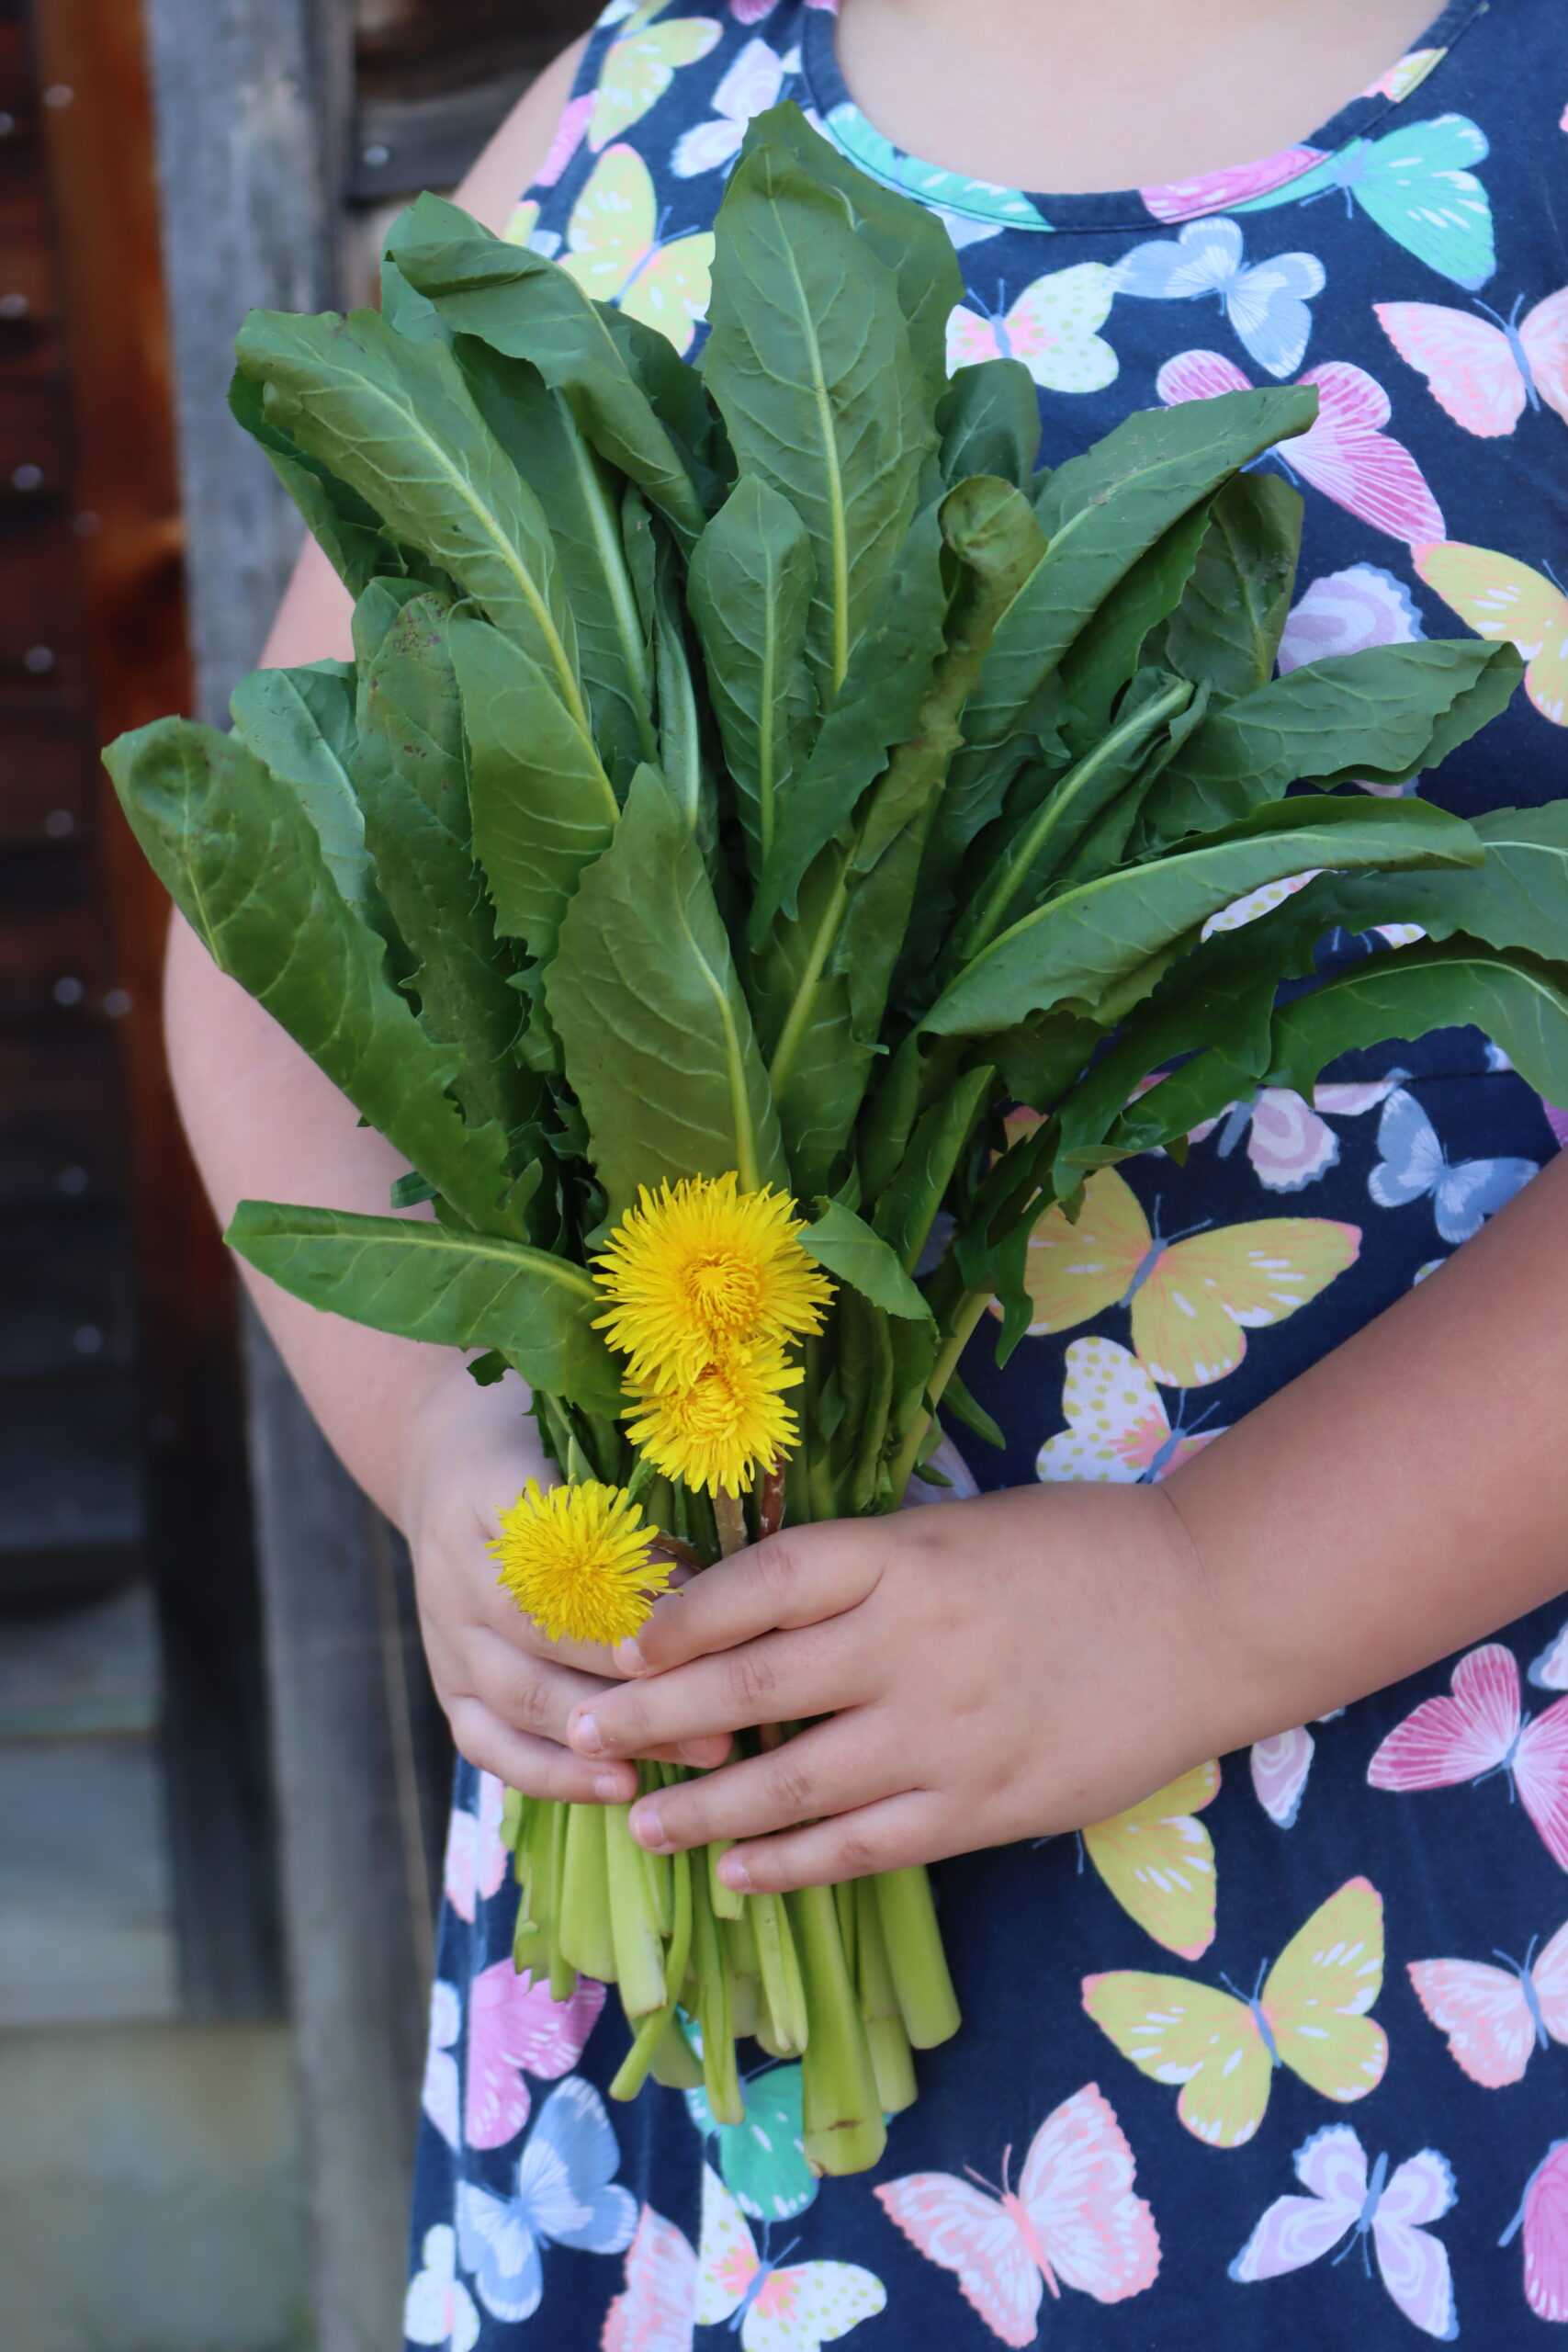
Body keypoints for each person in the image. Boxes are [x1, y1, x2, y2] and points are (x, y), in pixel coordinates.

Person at [167, 2, 1568, 2343]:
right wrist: (451, 1443)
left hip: (1392, 1898)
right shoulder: (648, 89)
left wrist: (1198, 1590)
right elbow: (279, 919)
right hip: (693, 1978)